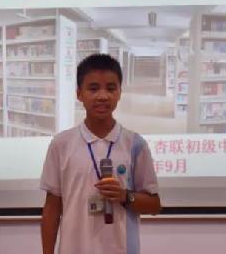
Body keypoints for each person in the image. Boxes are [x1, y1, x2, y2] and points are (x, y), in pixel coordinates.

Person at [40, 53, 161, 254]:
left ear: (120, 93)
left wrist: (125, 196)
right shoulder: (61, 144)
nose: (103, 96)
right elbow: (52, 209)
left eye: (111, 88)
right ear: (79, 94)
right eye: (93, 88)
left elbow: (154, 205)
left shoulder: (135, 144)